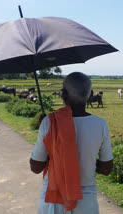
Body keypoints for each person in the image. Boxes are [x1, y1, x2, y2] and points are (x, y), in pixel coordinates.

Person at [30, 72, 113, 214]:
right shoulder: (100, 124)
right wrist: (88, 162)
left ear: (63, 94)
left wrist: (55, 149)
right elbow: (106, 168)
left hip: (53, 196)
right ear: (91, 94)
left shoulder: (50, 122)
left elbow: (36, 167)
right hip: (86, 198)